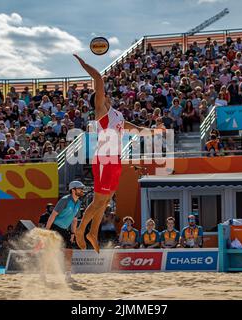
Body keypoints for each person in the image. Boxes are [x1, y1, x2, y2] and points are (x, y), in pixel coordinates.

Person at [73, 54, 156, 253]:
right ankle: (80, 230)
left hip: (116, 158)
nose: (103, 94)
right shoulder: (100, 110)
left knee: (106, 199)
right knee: (100, 199)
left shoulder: (116, 114)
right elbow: (99, 80)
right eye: (101, 94)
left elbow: (127, 126)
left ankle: (93, 232)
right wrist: (84, 64)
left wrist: (147, 131)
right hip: (103, 157)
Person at [45, 180, 85, 282]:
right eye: (80, 188)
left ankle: (68, 276)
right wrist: (46, 231)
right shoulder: (64, 200)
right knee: (51, 252)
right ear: (73, 190)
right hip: (55, 228)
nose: (82, 190)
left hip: (64, 230)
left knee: (69, 252)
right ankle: (43, 273)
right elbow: (52, 216)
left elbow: (75, 220)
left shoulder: (79, 202)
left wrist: (73, 233)